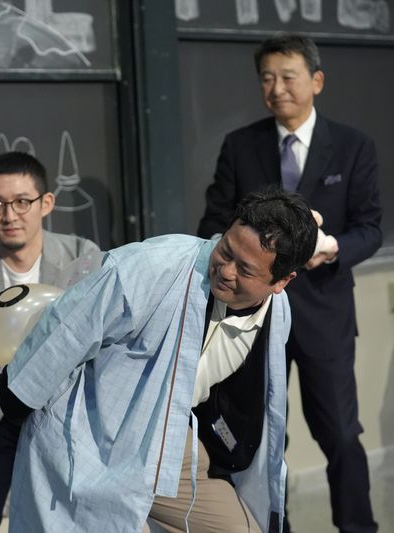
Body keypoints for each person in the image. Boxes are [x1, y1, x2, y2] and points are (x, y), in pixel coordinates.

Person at [0, 189, 317, 532]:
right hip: (93, 436)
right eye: (226, 251)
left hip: (172, 441)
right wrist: (18, 394)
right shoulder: (153, 265)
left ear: (281, 281)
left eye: (246, 269)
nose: (226, 270)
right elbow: (69, 325)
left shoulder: (276, 311)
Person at [197, 33, 381, 533]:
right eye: (266, 78)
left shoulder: (352, 146)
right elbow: (213, 222)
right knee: (259, 439)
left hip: (324, 314)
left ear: (316, 81)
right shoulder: (241, 146)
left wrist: (334, 247)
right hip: (252, 318)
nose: (276, 88)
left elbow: (371, 227)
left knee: (341, 436)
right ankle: (271, 526)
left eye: (288, 76)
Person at [0, 151, 101, 532]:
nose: (9, 215)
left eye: (21, 202)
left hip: (71, 409)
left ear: (46, 203)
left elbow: (98, 341)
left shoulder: (83, 257)